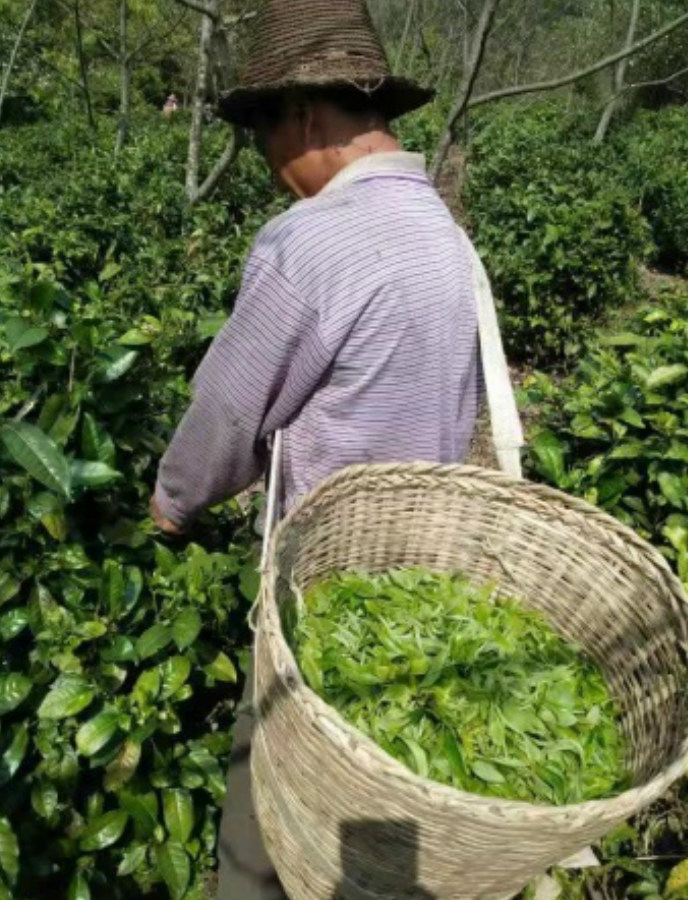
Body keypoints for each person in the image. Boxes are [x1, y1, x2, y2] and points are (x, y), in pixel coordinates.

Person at [150, 0, 484, 897]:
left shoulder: (310, 241)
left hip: (323, 604)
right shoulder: (445, 234)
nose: (268, 164)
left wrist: (172, 503)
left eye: (263, 134)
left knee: (267, 839)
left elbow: (229, 415)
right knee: (385, 824)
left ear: (301, 117)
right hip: (423, 592)